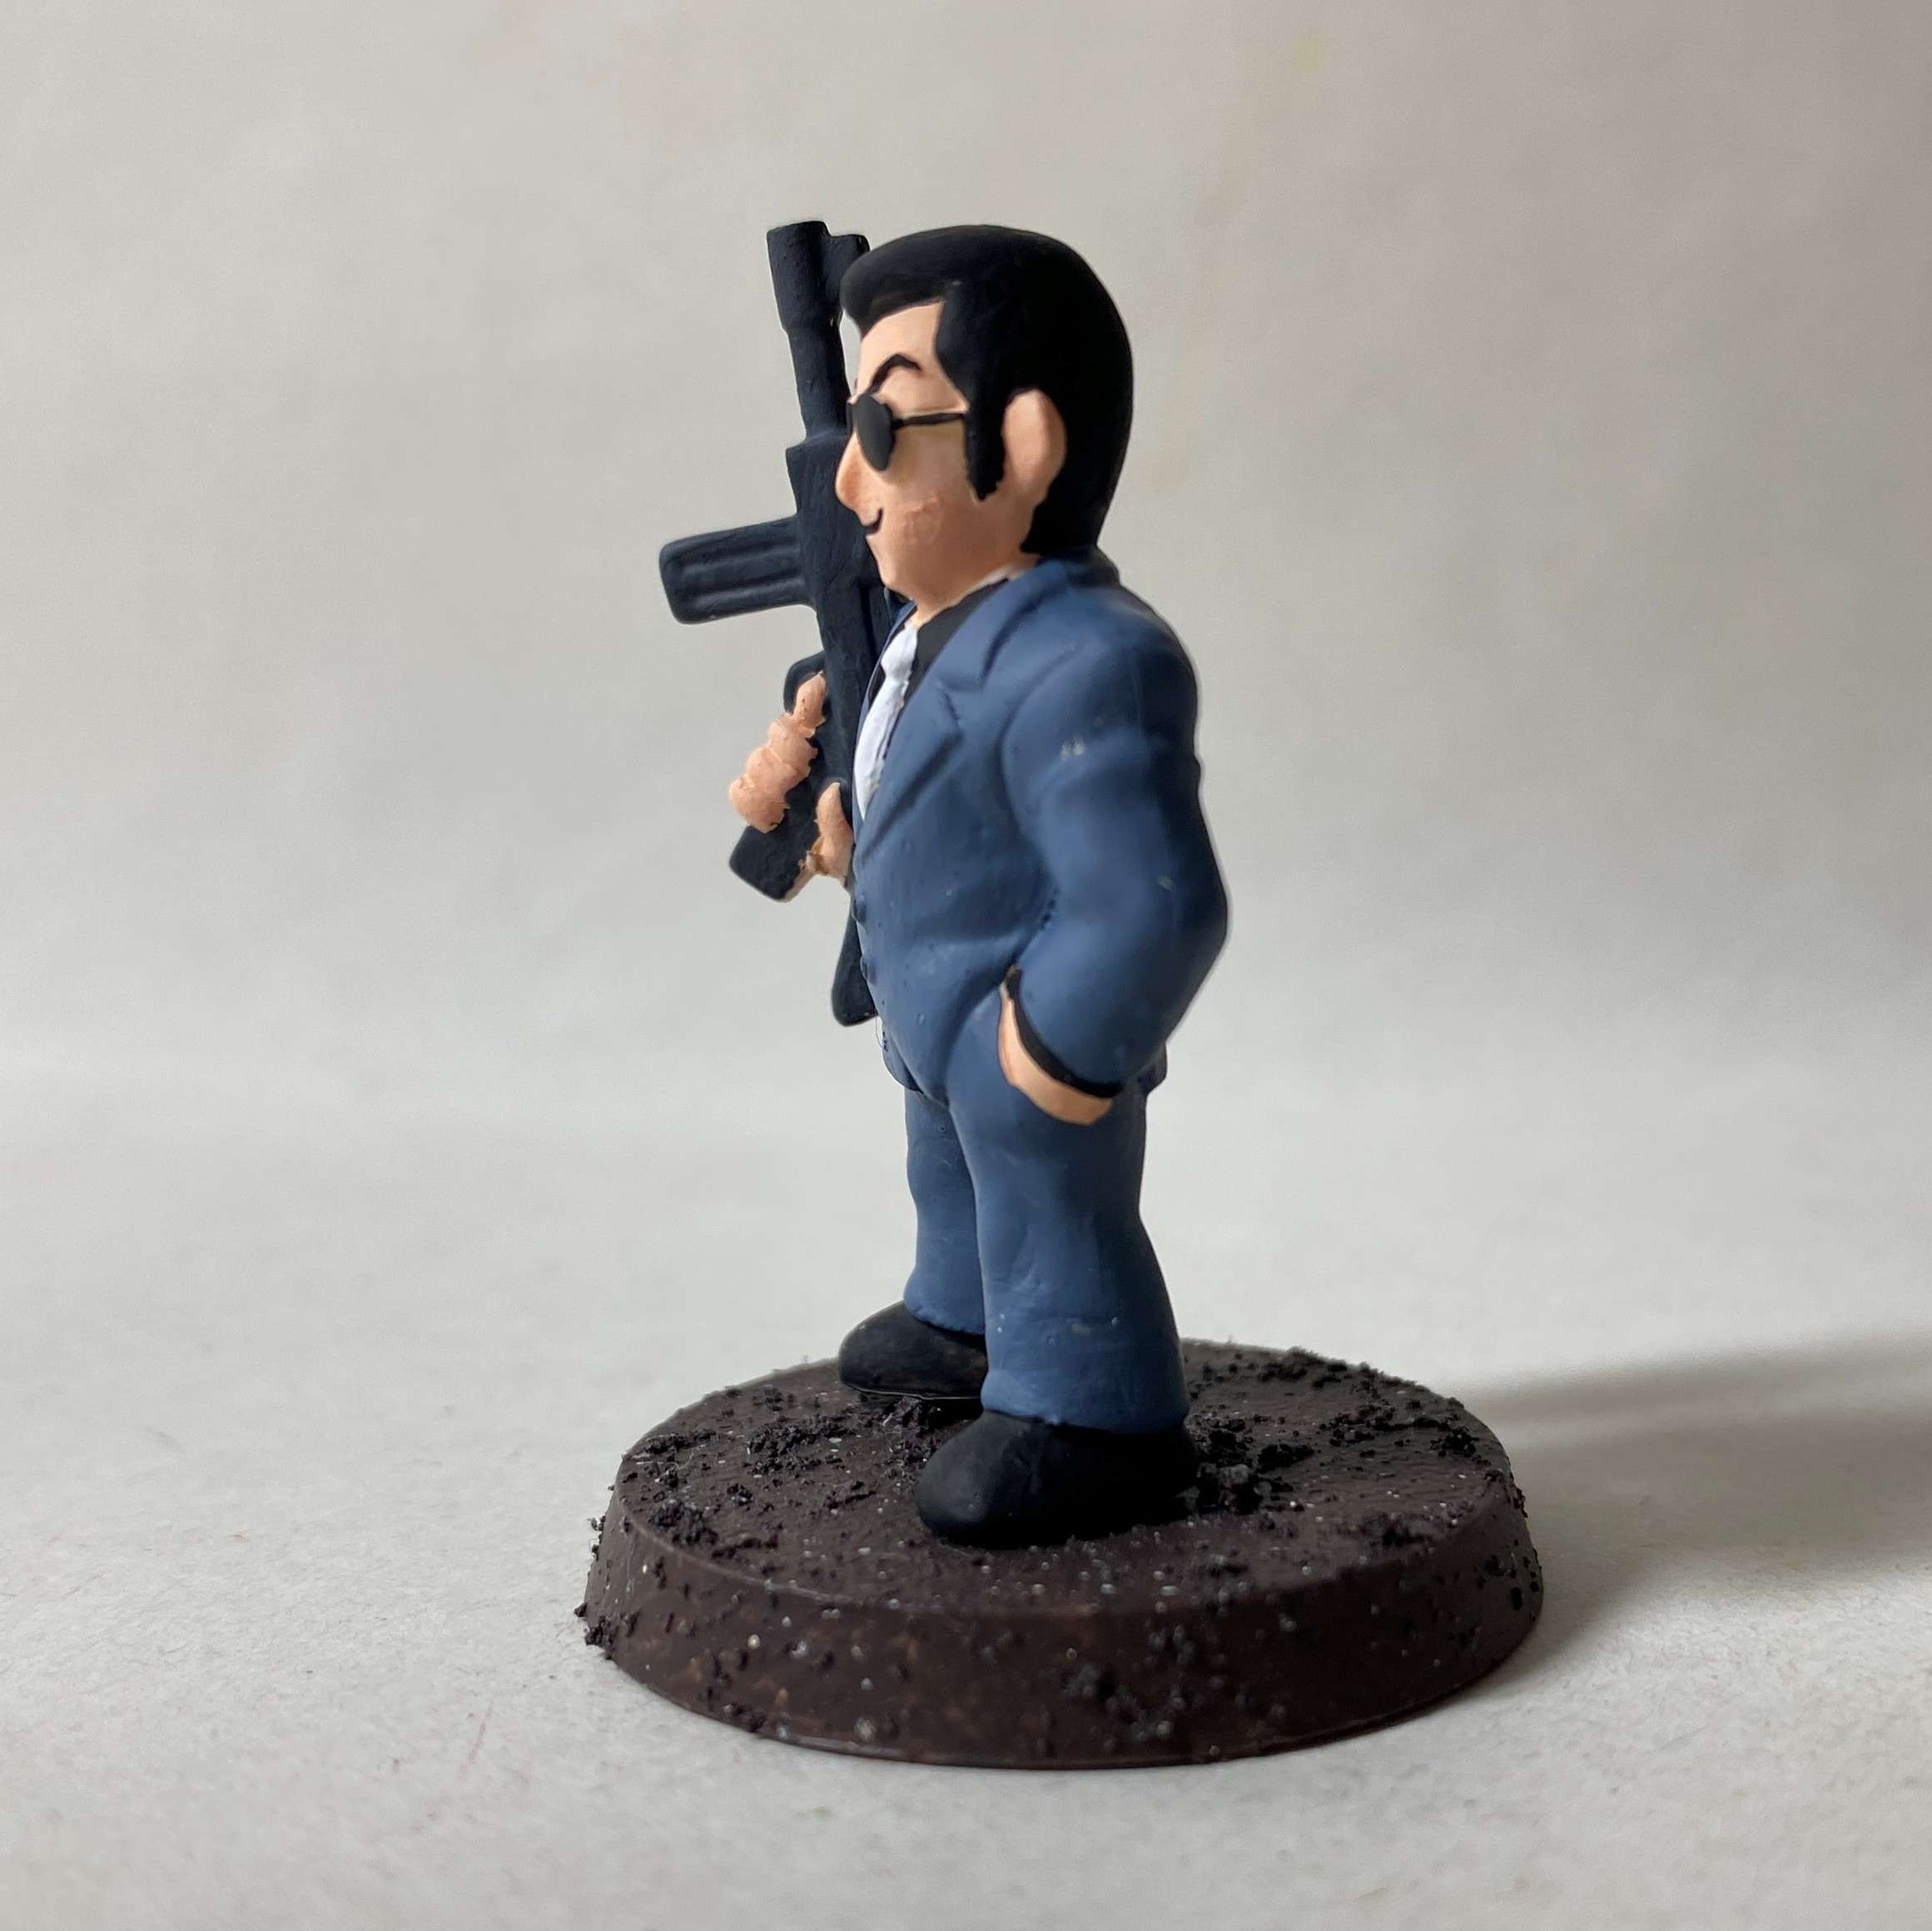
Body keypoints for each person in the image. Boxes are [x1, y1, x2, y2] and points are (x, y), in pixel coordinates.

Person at [728, 226, 1229, 1546]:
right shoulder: (917, 637)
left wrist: (1040, 1060)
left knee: (1048, 1211)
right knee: (947, 1183)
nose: (850, 477)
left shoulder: (1085, 660)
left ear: (1026, 445)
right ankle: (961, 1317)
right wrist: (829, 826)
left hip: (1017, 1039)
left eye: (884, 430)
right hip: (927, 1016)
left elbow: (1152, 904)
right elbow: (923, 796)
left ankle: (1089, 1410)